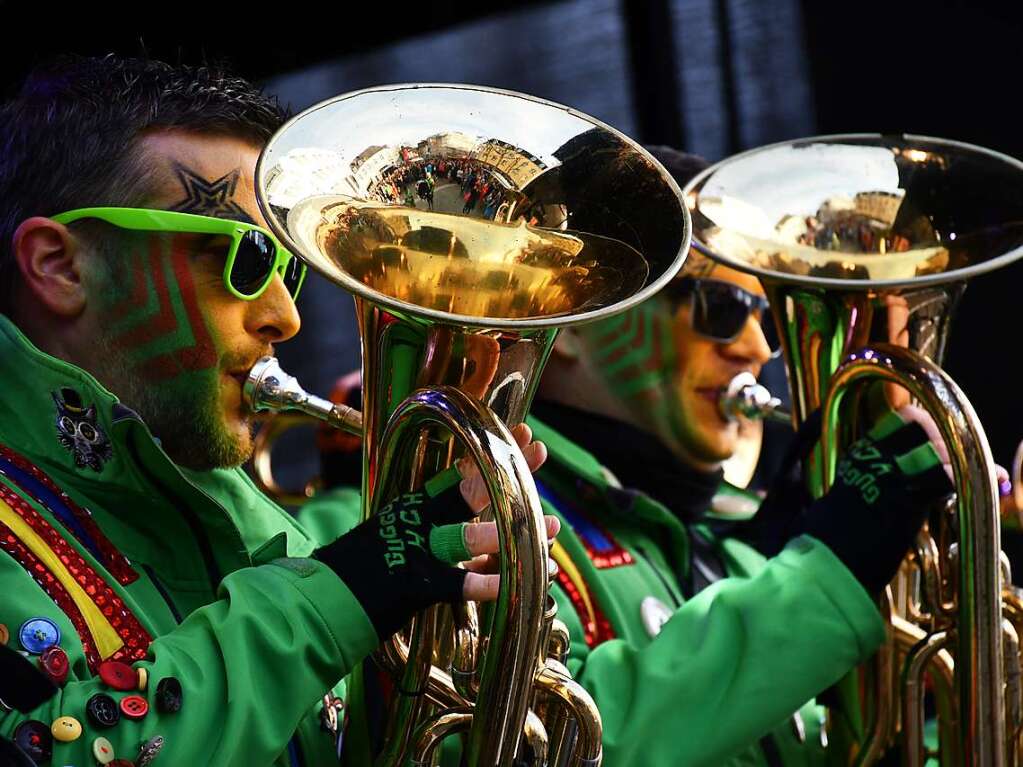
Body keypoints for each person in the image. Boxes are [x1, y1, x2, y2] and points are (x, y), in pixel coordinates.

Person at [0, 55, 554, 767]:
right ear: (60, 265)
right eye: (246, 257)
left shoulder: (257, 521)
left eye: (288, 267)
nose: (284, 315)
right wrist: (351, 588)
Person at [521, 147, 953, 765]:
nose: (757, 348)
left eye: (765, 318)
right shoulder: (496, 526)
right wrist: (828, 575)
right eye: (720, 309)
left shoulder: (746, 554)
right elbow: (572, 743)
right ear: (575, 321)